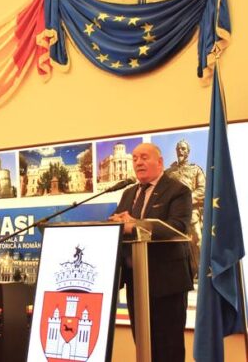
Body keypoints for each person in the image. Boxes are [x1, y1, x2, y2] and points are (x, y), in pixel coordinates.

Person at [108, 143, 193, 362]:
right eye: (135, 158)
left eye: (144, 157)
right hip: (136, 280)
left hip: (167, 283)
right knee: (143, 346)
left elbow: (178, 227)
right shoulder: (129, 192)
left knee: (168, 349)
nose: (138, 162)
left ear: (160, 162)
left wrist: (134, 224)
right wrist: (116, 223)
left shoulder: (178, 190)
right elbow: (121, 224)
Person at [165, 139, 205, 278]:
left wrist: (186, 200)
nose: (180, 151)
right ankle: (185, 274)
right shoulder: (169, 172)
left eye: (183, 148)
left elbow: (202, 189)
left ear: (188, 151)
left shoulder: (196, 169)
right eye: (178, 148)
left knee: (197, 240)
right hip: (173, 215)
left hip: (191, 212)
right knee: (176, 244)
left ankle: (201, 272)